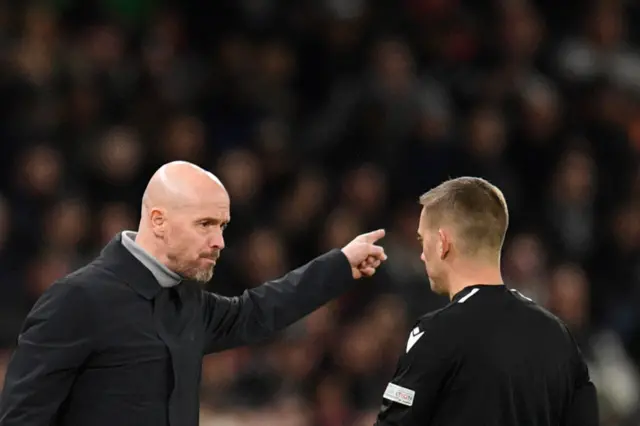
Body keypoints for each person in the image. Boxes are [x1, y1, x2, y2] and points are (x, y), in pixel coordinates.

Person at [0, 161, 388, 426]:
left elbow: (257, 311)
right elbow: (22, 418)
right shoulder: (77, 299)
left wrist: (340, 265)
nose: (219, 241)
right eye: (205, 224)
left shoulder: (186, 301)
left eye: (222, 226)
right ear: (159, 221)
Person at [374, 176, 598, 426]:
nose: (422, 255)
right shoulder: (559, 337)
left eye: (422, 240)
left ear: (442, 243)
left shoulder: (436, 333)